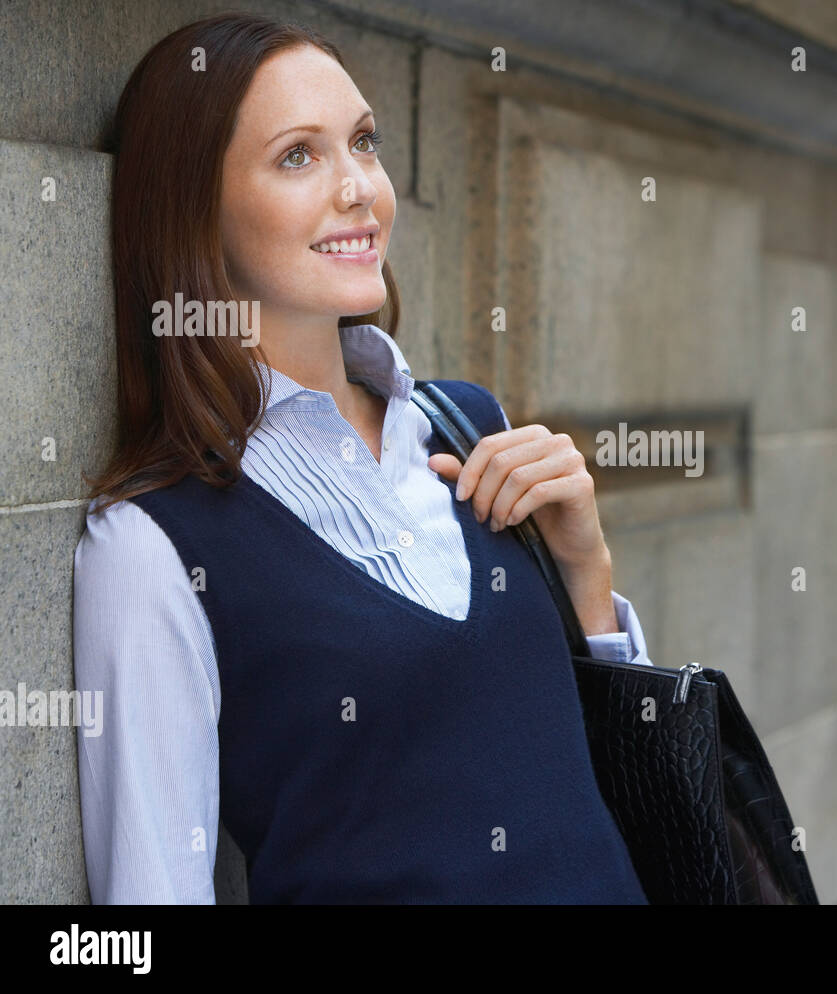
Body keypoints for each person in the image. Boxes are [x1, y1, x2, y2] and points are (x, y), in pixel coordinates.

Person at [73, 12, 651, 905]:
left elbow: (595, 778)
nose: (359, 190)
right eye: (298, 156)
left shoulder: (468, 428)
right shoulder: (154, 542)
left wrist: (585, 570)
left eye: (364, 142)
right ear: (196, 208)